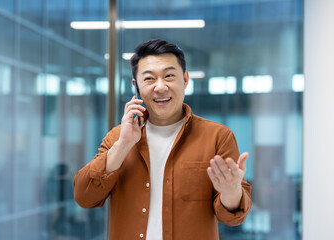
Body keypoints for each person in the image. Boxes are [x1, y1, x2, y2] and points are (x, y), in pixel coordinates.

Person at [73, 39, 252, 240]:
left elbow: (233, 218)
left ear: (185, 79)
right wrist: (123, 145)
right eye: (149, 79)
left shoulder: (217, 136)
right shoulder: (117, 137)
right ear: (136, 86)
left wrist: (231, 192)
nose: (160, 87)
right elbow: (84, 197)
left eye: (169, 76)